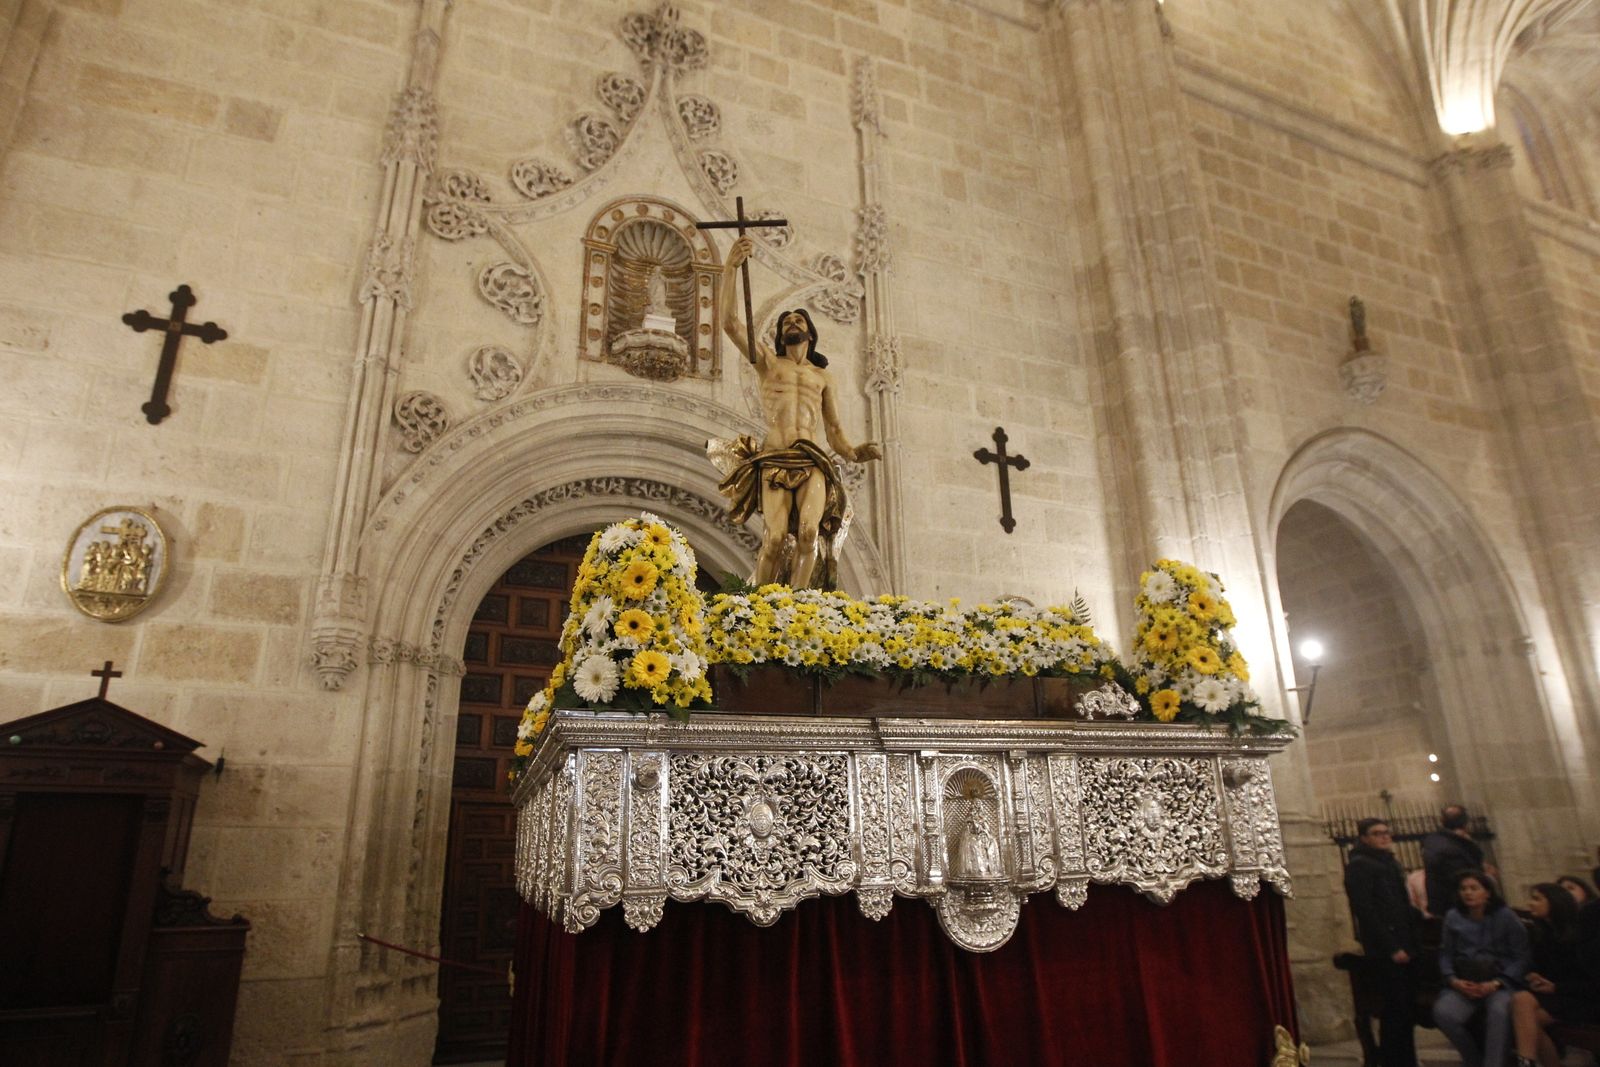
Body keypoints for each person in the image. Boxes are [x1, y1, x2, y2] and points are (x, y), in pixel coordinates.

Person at [714, 236, 881, 589]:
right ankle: (755, 606)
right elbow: (729, 322)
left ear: (810, 334)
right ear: (780, 335)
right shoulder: (769, 364)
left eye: (797, 320)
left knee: (808, 535)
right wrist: (731, 267)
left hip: (812, 460)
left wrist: (853, 451)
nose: (792, 322)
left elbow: (834, 427)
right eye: (786, 321)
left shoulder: (823, 377)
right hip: (775, 458)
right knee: (774, 539)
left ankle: (798, 606)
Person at [1343, 818, 1422, 1067]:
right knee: (1394, 1009)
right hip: (1385, 950)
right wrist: (1392, 947)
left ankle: (1406, 1059)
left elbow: (1398, 904)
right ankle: (1393, 1061)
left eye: (1387, 833)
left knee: (1405, 1009)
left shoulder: (1388, 862)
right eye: (1377, 833)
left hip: (1403, 942)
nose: (1385, 837)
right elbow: (1366, 911)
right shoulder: (1359, 866)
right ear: (1364, 838)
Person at [1435, 870, 1529, 1067]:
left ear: (1487, 892)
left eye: (1474, 888)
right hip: (1466, 981)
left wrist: (1497, 982)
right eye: (1463, 889)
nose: (1468, 893)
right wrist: (1453, 980)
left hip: (1499, 982)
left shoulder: (1505, 916)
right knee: (1444, 1013)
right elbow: (1446, 953)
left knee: (1498, 1012)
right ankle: (1472, 1060)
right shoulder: (1453, 917)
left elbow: (1521, 956)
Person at [1511, 882, 1586, 1067]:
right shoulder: (1542, 933)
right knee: (1529, 1016)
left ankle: (1525, 1063)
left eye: (1537, 899)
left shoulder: (1580, 935)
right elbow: (1540, 968)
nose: (1530, 904)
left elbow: (1591, 980)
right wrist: (1534, 976)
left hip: (1584, 998)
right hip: (1558, 996)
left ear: (1555, 902)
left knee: (1522, 1002)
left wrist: (1555, 986)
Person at [1423, 804, 1486, 920]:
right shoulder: (1456, 849)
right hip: (1461, 908)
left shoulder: (1432, 842)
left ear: (1442, 821)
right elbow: (1466, 878)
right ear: (1466, 823)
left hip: (1440, 908)